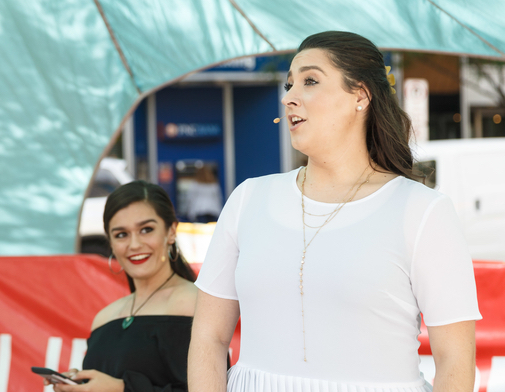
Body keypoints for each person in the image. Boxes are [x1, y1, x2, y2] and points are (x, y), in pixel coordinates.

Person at [189, 31, 482, 392]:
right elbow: (208, 337)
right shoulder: (248, 199)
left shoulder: (422, 211)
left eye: (310, 81)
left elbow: (455, 360)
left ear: (360, 95)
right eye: (289, 84)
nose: (289, 98)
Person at [51, 180, 198, 392]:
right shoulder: (104, 318)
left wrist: (121, 389)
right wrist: (81, 385)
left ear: (171, 231)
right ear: (110, 243)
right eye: (121, 234)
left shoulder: (194, 303)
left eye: (146, 230)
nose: (134, 244)